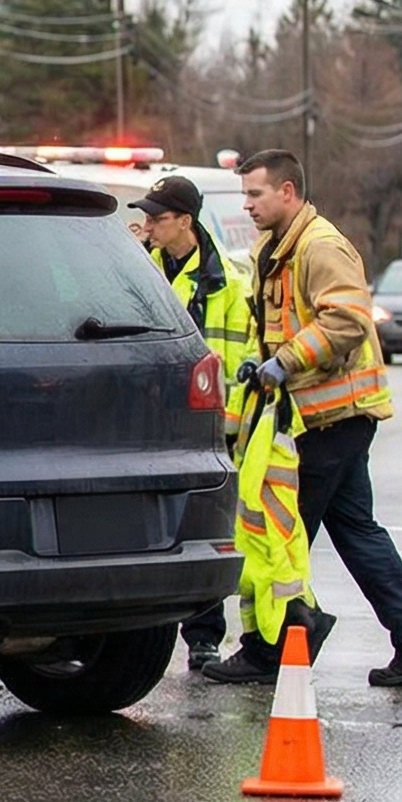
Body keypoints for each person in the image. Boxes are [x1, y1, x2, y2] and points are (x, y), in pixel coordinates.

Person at [217, 150, 402, 686]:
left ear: (288, 192)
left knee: (278, 533)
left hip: (332, 418)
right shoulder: (276, 248)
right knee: (357, 532)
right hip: (320, 417)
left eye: (255, 194)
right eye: (245, 195)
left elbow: (346, 320)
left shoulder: (320, 247)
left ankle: (274, 646)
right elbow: (281, 321)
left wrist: (286, 361)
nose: (247, 206)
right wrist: (263, 359)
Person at [131, 176, 260, 670]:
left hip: (210, 428)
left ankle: (204, 635)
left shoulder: (226, 282)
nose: (150, 226)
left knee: (205, 532)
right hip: (148, 424)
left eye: (158, 218)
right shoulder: (140, 269)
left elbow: (246, 351)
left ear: (185, 221)